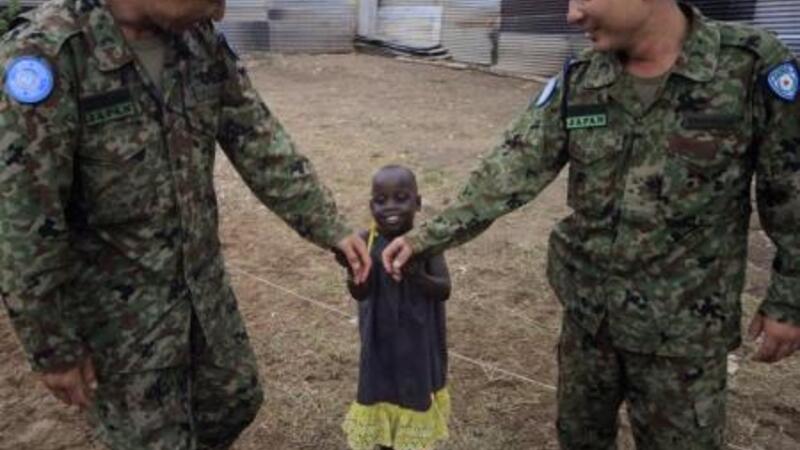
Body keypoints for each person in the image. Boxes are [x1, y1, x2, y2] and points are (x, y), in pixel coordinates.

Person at [382, 1, 800, 448]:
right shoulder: (582, 78)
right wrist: (426, 238)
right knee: (579, 438)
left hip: (684, 336)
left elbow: (791, 190)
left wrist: (789, 300)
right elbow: (512, 168)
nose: (571, 14)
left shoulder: (749, 66)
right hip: (589, 322)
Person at [0, 0, 370, 449]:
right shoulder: (47, 55)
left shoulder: (197, 40)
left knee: (234, 400)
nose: (219, 13)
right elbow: (22, 218)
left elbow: (256, 137)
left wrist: (330, 226)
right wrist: (52, 346)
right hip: (120, 326)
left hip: (203, 295)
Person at [338, 165, 451, 450]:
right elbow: (360, 293)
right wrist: (353, 272)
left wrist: (416, 274)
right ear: (371, 206)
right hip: (380, 343)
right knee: (382, 393)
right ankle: (385, 442)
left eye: (401, 198)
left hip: (418, 342)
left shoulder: (425, 242)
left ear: (418, 202)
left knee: (414, 394)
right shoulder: (365, 241)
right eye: (380, 200)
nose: (390, 206)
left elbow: (443, 289)